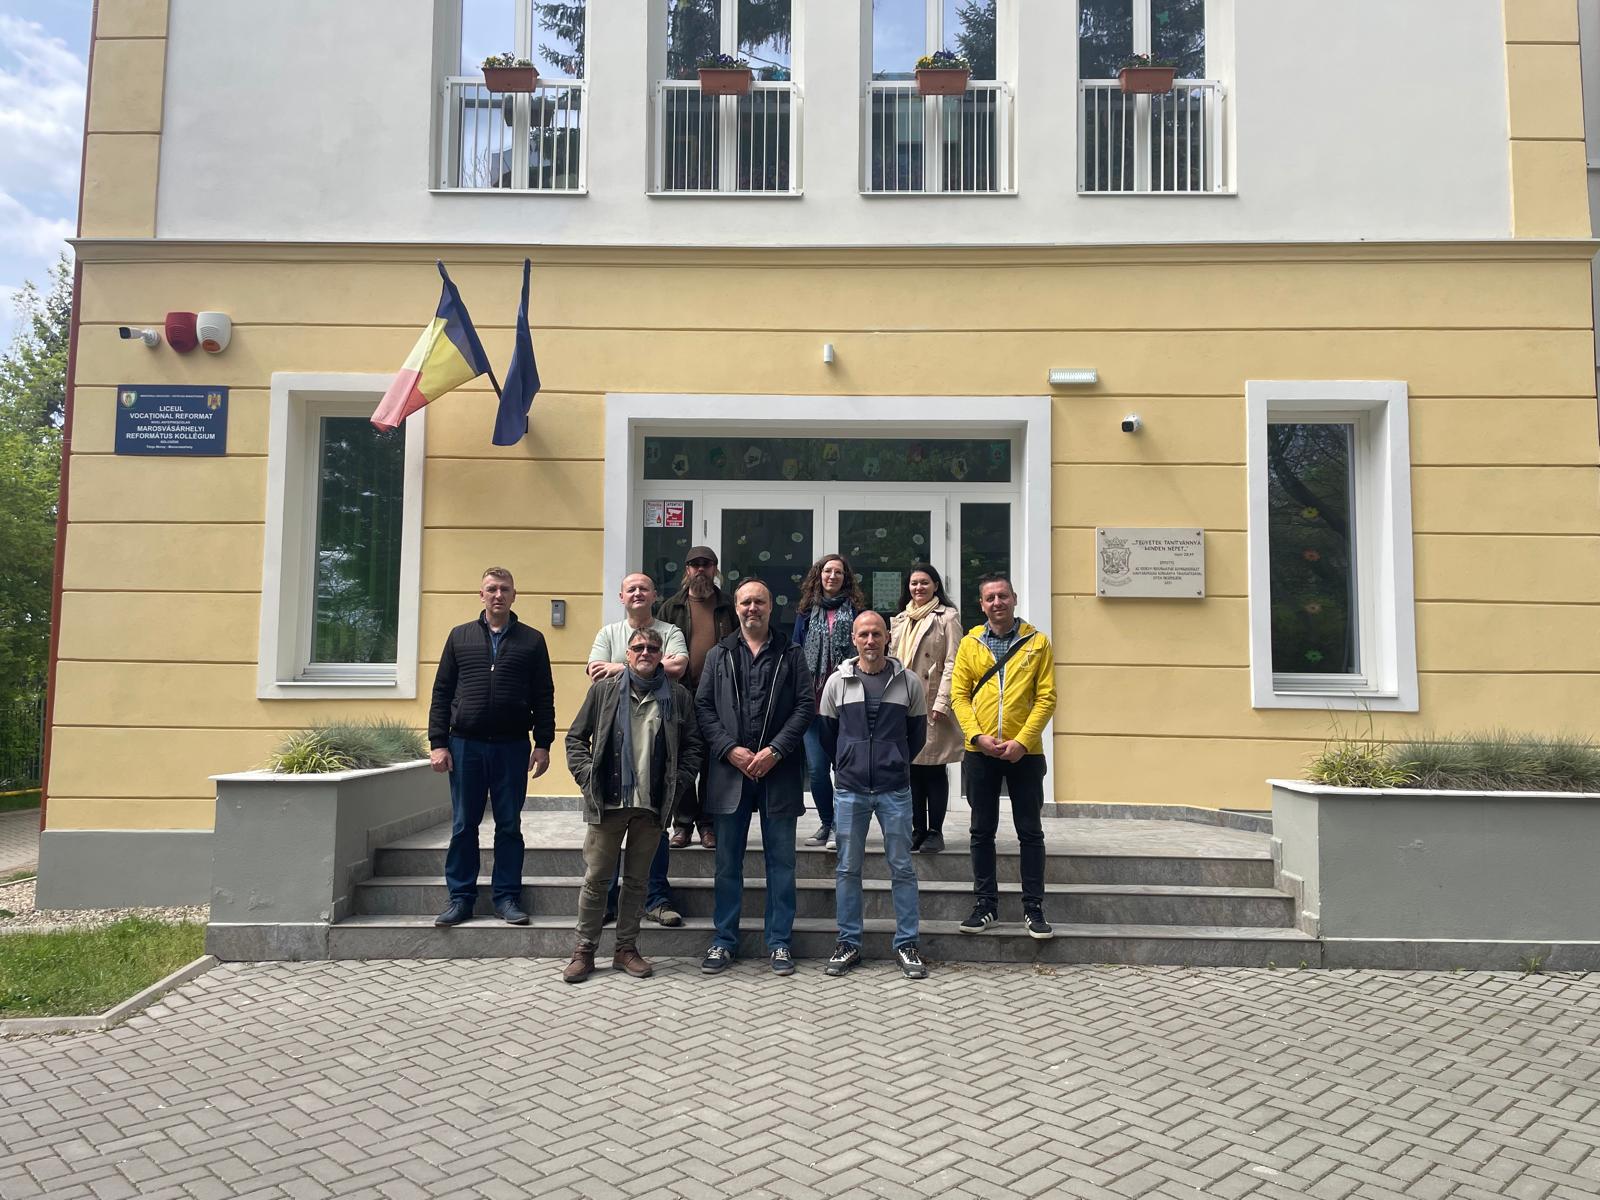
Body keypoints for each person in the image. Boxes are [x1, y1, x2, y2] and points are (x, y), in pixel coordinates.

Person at [562, 628, 702, 983]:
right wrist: (587, 777)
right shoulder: (604, 691)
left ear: (661, 655)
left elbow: (693, 746)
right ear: (627, 654)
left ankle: (625, 949)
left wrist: (677, 782)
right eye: (638, 647)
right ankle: (584, 951)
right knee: (596, 879)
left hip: (652, 806)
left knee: (638, 882)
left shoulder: (677, 696)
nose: (645, 652)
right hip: (608, 802)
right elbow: (575, 738)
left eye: (653, 648)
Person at [694, 578, 814, 976]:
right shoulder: (718, 654)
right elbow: (703, 707)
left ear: (770, 606)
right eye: (745, 602)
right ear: (737, 607)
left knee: (782, 864)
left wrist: (775, 750)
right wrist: (730, 749)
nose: (752, 608)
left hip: (778, 772)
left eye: (759, 601)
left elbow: (804, 706)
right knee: (727, 863)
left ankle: (779, 943)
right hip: (730, 773)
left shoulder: (791, 653)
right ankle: (724, 940)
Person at [428, 567, 555, 928]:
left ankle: (507, 898)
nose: (498, 595)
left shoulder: (532, 640)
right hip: (465, 745)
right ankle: (460, 899)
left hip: (512, 747)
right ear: (481, 595)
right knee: (463, 825)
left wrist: (543, 743)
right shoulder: (459, 637)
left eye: (505, 589)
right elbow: (442, 692)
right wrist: (438, 743)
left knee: (509, 825)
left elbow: (544, 695)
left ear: (514, 595)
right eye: (492, 589)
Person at [817, 611, 930, 979]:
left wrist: (894, 760)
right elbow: (828, 735)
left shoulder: (908, 682)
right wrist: (848, 762)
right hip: (850, 790)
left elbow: (917, 736)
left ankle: (907, 943)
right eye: (863, 634)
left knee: (902, 868)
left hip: (894, 790)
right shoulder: (837, 682)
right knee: (848, 868)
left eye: (877, 634)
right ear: (854, 638)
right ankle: (848, 942)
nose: (870, 641)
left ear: (887, 638)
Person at [949, 572, 1058, 940]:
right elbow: (959, 696)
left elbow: (1046, 698)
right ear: (982, 605)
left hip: (1025, 754)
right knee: (981, 831)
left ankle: (1034, 907)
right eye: (990, 598)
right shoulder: (970, 644)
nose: (997, 603)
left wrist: (1023, 741)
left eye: (1003, 596)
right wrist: (976, 736)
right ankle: (985, 905)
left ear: (1014, 599)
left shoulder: (1037, 643)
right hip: (980, 752)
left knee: (1030, 831)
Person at [587, 572, 690, 929]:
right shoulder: (607, 633)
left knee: (655, 834)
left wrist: (621, 666)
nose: (637, 593)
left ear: (654, 595)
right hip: (615, 757)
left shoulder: (670, 631)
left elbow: (679, 667)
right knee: (608, 839)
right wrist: (586, 775)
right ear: (621, 596)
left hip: (656, 749)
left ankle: (656, 899)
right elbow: (594, 673)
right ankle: (608, 903)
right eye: (631, 588)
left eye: (644, 588)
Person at [655, 546, 737, 849]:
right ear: (686, 570)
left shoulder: (728, 606)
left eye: (706, 564)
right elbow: (659, 649)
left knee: (714, 761)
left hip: (719, 695)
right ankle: (683, 823)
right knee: (681, 758)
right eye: (694, 564)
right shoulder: (671, 607)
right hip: (680, 694)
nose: (700, 569)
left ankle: (708, 824)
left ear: (715, 569)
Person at [888, 563, 964, 854]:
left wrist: (943, 701)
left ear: (935, 586)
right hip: (904, 702)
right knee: (911, 769)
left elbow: (953, 662)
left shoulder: (948, 617)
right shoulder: (901, 619)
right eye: (913, 583)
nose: (918, 588)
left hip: (932, 701)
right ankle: (917, 829)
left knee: (934, 768)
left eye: (924, 582)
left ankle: (935, 832)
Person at [791, 554, 865, 849]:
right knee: (817, 771)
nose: (832, 576)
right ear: (818, 576)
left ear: (846, 578)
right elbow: (796, 653)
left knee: (844, 768)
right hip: (812, 703)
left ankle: (841, 827)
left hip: (847, 701)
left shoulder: (857, 611)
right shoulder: (806, 612)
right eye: (827, 571)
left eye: (838, 572)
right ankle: (826, 822)